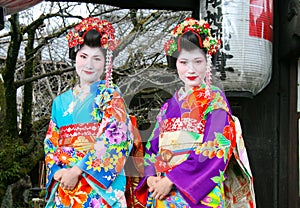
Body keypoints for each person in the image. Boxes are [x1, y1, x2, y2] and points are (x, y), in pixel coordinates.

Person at [135, 17, 255, 207]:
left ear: (208, 62)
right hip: (163, 193)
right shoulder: (168, 106)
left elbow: (215, 148)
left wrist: (172, 179)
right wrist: (150, 178)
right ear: (175, 63)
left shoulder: (215, 100)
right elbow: (152, 148)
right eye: (184, 62)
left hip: (198, 193)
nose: (191, 69)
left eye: (198, 61)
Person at [44, 17, 143, 208]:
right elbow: (51, 142)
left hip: (96, 186)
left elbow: (116, 141)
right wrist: (57, 170)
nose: (89, 65)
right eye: (83, 57)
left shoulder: (111, 97)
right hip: (65, 184)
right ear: (74, 57)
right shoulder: (60, 102)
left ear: (106, 63)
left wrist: (78, 170)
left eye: (97, 58)